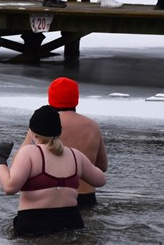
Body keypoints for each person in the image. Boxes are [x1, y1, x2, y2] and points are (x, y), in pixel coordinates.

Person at [0, 105, 106, 237]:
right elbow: (101, 180)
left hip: (34, 226)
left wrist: (0, 159)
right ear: (59, 132)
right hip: (72, 225)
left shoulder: (29, 152)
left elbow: (9, 187)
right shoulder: (75, 155)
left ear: (33, 133)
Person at [19, 77, 108, 206]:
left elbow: (20, 162)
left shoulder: (43, 125)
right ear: (76, 99)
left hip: (52, 198)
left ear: (50, 98)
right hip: (87, 198)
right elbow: (102, 166)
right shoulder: (92, 126)